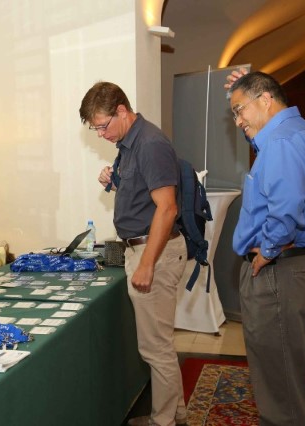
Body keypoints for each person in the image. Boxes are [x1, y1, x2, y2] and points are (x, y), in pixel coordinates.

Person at [79, 82, 188, 426]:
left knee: (155, 348)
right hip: (142, 248)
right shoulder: (129, 143)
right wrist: (113, 180)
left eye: (102, 126)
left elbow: (167, 209)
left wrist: (147, 263)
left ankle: (163, 421)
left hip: (154, 251)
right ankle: (176, 413)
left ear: (122, 111)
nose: (100, 134)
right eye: (95, 129)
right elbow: (142, 194)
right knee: (159, 344)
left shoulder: (150, 144)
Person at [225, 70, 305, 425]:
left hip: (277, 271)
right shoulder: (303, 132)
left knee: (278, 388)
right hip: (299, 268)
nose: (238, 121)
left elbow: (285, 209)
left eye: (239, 110)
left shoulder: (281, 143)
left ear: (266, 99)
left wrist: (268, 250)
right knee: (288, 376)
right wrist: (245, 92)